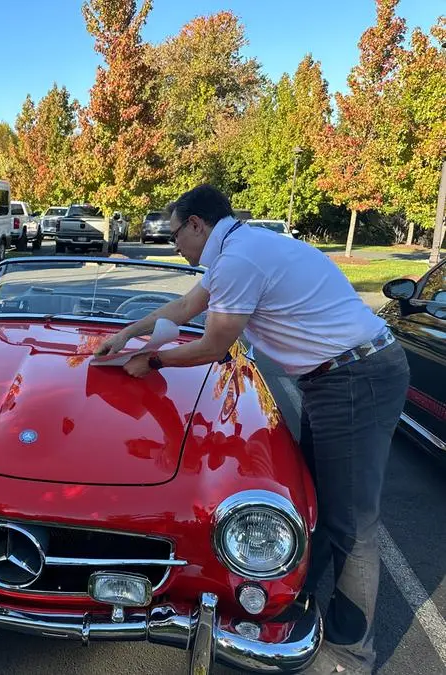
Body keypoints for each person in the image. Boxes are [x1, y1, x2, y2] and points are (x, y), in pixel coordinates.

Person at [96, 184, 409, 675]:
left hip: (355, 377)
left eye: (176, 233)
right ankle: (296, 601)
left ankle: (350, 655)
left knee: (352, 523)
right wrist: (126, 333)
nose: (173, 244)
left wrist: (151, 359)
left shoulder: (241, 259)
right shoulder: (237, 252)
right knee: (319, 503)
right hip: (337, 376)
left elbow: (213, 346)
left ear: (198, 224)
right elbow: (183, 311)